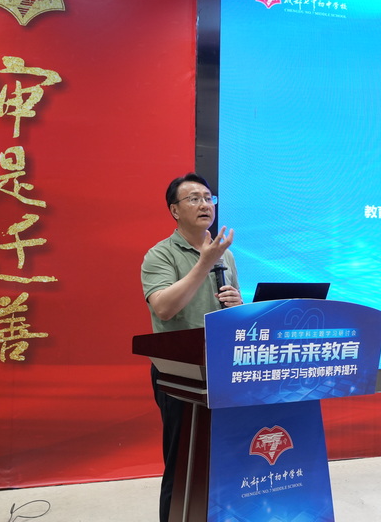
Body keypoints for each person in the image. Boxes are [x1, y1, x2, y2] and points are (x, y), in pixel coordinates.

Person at [140, 172, 243, 522]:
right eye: (194, 198)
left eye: (208, 198)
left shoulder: (226, 255)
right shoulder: (159, 255)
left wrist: (238, 305)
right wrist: (203, 263)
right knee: (183, 462)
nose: (204, 205)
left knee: (224, 459)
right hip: (179, 373)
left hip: (222, 368)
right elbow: (164, 308)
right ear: (174, 210)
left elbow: (230, 314)